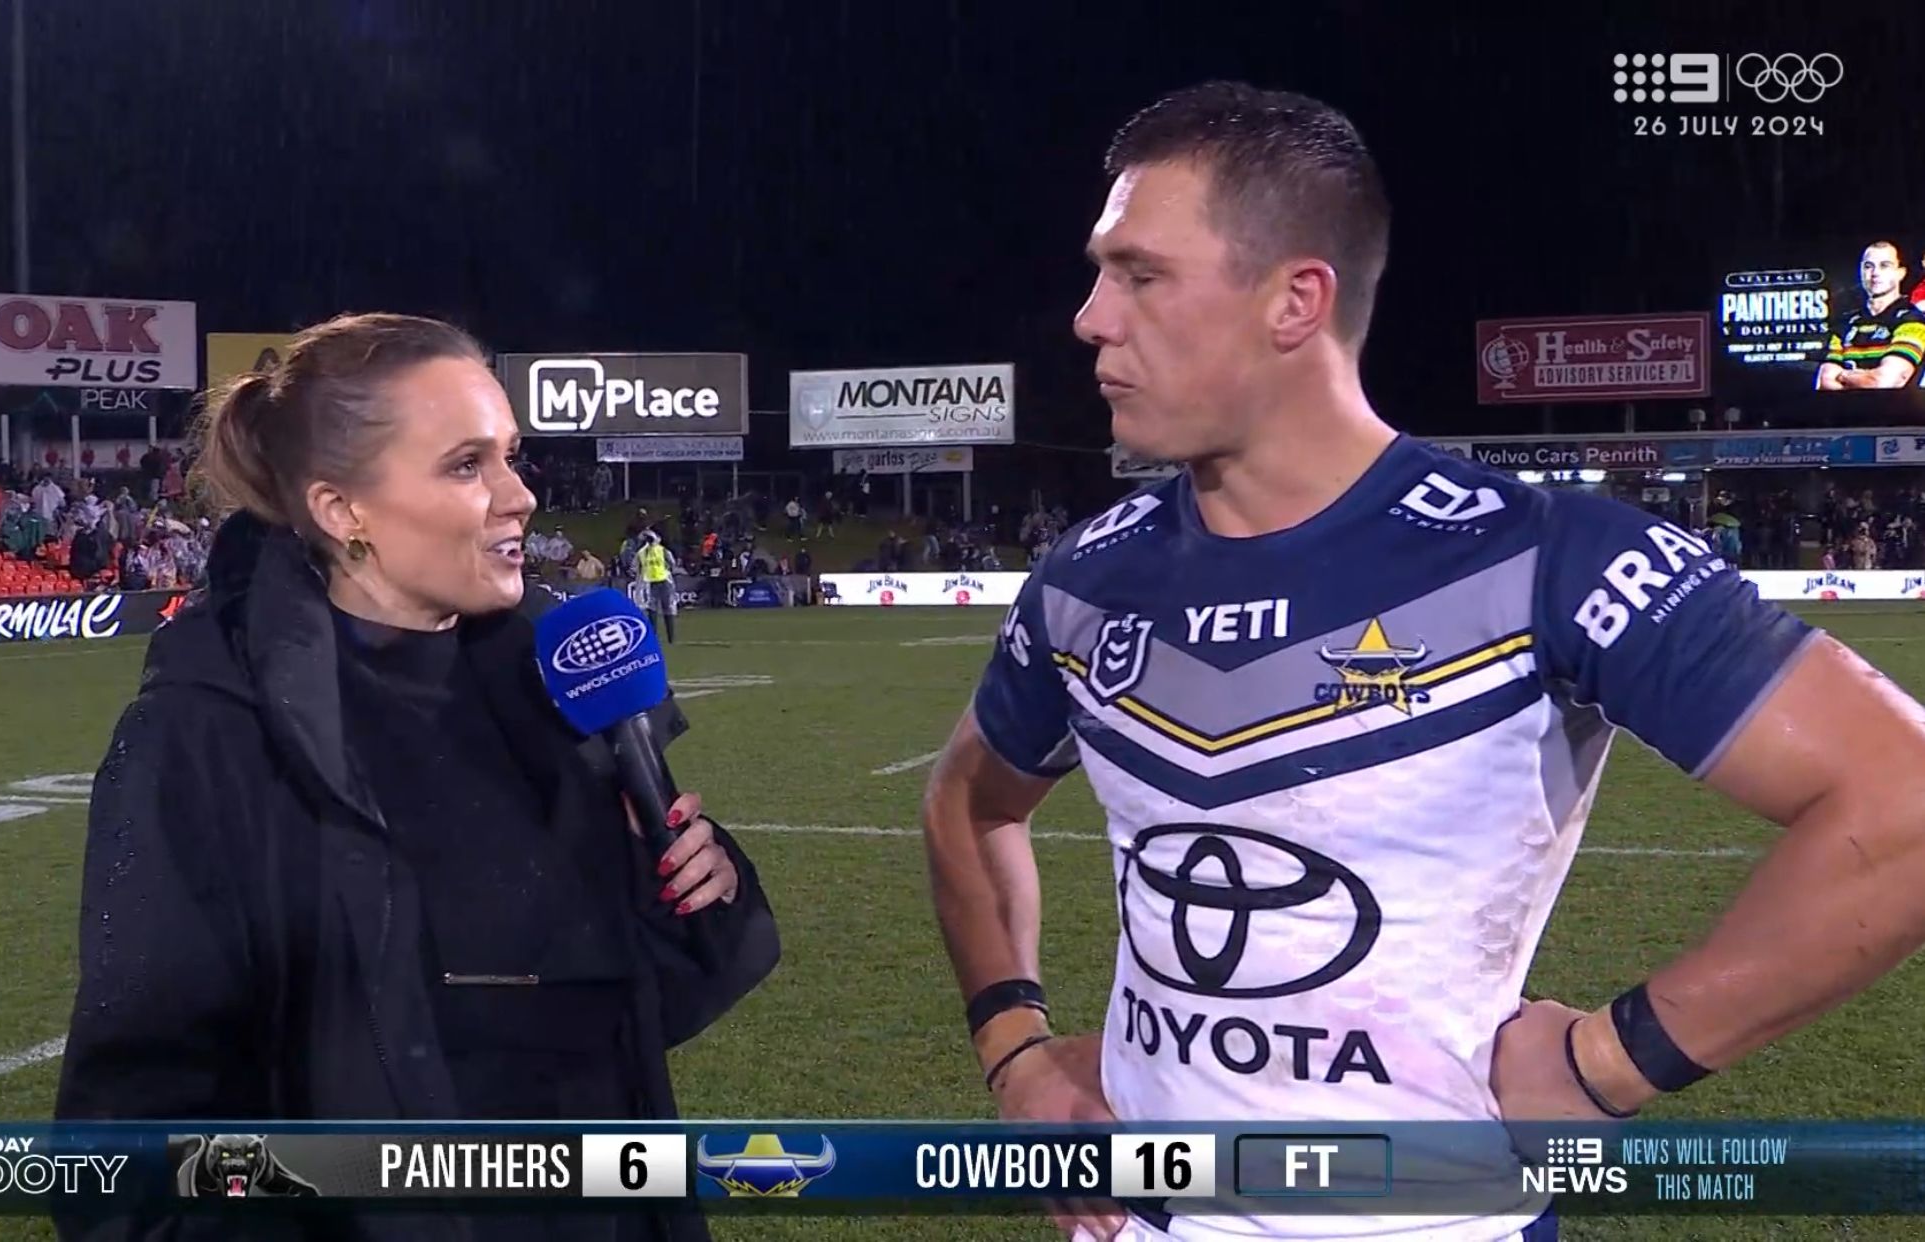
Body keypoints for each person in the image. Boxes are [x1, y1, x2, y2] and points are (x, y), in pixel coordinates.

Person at [923, 81, 1925, 1242]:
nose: (1091, 317)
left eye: (1140, 275)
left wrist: (1612, 1059)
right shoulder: (1084, 580)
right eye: (1101, 274)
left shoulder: (1545, 557)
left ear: (1295, 301)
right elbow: (967, 802)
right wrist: (1015, 1050)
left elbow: (1900, 799)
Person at [53, 313, 779, 1242]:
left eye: (512, 456)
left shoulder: (553, 681)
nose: (520, 495)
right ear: (342, 511)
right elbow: (130, 1145)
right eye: (467, 465)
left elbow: (611, 1016)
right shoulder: (206, 734)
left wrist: (685, 893)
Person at [1815, 240, 1925, 390]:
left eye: (1884, 266)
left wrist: (1843, 376)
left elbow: (1886, 382)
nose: (1875, 273)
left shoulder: (1913, 320)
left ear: (1901, 273)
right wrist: (1867, 377)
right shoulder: (1845, 324)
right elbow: (1825, 383)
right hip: (1844, 406)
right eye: (1868, 266)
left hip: (1896, 406)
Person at [635, 528, 678, 644]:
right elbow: (672, 564)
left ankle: (667, 638)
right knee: (657, 609)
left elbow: (672, 563)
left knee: (659, 608)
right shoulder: (651, 551)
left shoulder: (660, 551)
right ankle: (668, 638)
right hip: (655, 582)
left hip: (660, 581)